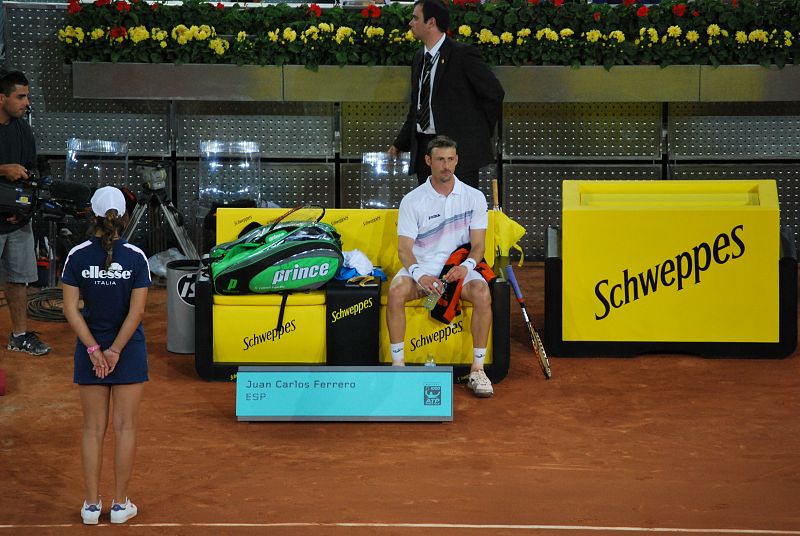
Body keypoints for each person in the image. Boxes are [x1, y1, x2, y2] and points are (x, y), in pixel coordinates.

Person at [61, 186, 151, 525]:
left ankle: (89, 506)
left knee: (92, 429)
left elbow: (70, 310)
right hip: (127, 352)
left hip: (90, 353)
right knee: (125, 428)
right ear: (125, 218)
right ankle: (119, 505)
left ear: (92, 215)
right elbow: (138, 312)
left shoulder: (77, 256)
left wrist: (95, 350)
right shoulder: (136, 257)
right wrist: (115, 351)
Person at [386, 135, 494, 397]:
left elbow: (479, 246)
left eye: (450, 159)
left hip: (458, 270)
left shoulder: (475, 197)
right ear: (428, 161)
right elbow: (404, 249)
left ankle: (478, 370)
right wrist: (420, 275)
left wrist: (467, 266)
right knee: (396, 291)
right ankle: (398, 366)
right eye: (440, 160)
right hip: (422, 270)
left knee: (482, 293)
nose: (446, 165)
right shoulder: (412, 200)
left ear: (456, 160)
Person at [387, 0, 504, 189]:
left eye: (415, 18)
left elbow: (494, 94)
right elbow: (417, 106)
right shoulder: (419, 58)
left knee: (459, 215)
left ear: (431, 22)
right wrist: (400, 143)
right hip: (426, 153)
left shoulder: (463, 54)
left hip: (458, 155)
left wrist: (477, 134)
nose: (411, 23)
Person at [0, 69, 51, 356]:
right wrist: (3, 169)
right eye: (20, 96)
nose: (26, 102)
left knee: (19, 279)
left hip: (17, 220)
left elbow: (32, 170)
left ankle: (19, 336)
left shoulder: (23, 129)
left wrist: (23, 212)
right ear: (1, 98)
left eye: (27, 96)